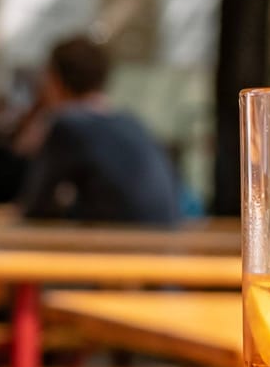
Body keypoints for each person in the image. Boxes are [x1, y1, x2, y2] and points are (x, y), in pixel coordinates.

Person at [15, 36, 179, 225]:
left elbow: (35, 208)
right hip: (164, 247)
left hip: (119, 250)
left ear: (55, 81)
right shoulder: (131, 123)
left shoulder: (68, 125)